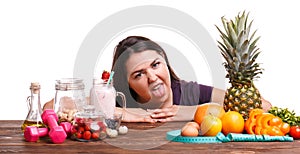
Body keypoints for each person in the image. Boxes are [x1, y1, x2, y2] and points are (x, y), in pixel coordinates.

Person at [111, 36, 272, 123]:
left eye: (155, 65)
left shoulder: (189, 92)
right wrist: (129, 113)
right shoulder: (123, 99)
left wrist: (194, 112)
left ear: (165, 62)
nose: (152, 78)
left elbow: (264, 107)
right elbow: (88, 108)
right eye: (139, 74)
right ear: (127, 84)